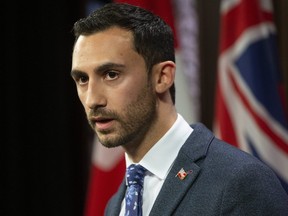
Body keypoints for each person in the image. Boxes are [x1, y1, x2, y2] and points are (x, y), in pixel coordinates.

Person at [71, 2, 288, 216]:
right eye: (82, 79)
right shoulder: (115, 206)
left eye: (111, 74)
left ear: (162, 77)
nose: (92, 100)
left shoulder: (240, 183)